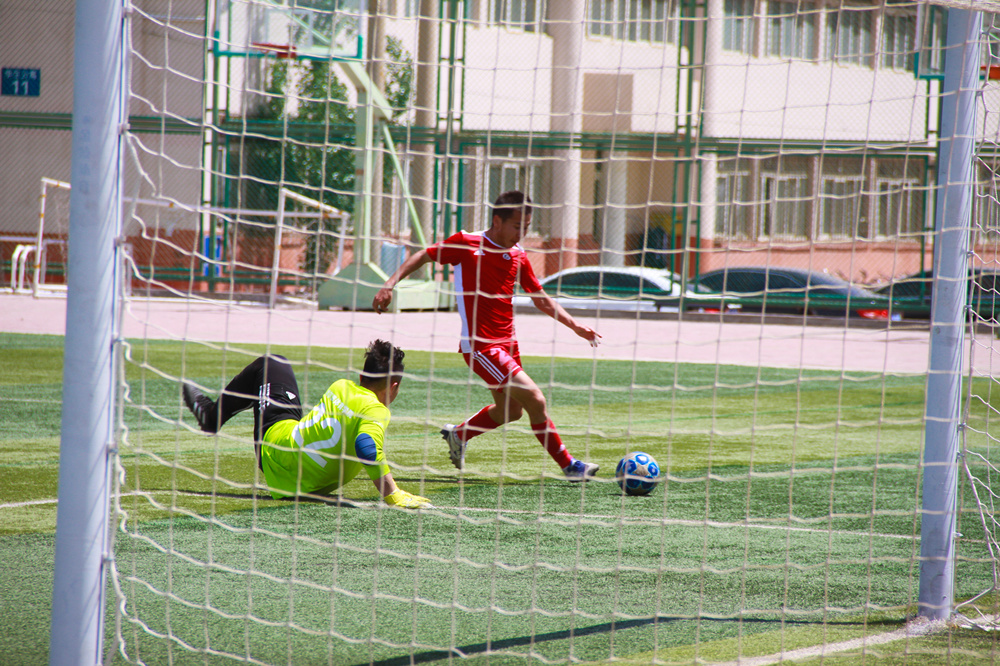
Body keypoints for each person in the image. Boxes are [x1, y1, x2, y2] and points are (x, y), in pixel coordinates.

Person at [372, 190, 601, 481]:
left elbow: (540, 298)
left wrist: (575, 326)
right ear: (497, 221)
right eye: (517, 226)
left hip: (509, 345)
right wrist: (389, 285)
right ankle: (570, 467)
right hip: (481, 347)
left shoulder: (518, 255)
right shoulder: (467, 243)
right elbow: (423, 255)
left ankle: (458, 434)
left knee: (510, 412)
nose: (521, 233)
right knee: (536, 399)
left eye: (526, 227)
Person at [181, 339, 431, 509]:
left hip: (277, 451)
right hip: (284, 462)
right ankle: (211, 416)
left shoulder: (341, 386)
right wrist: (393, 494)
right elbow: (366, 446)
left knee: (273, 362)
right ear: (394, 386)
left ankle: (212, 416)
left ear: (361, 376)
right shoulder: (376, 410)